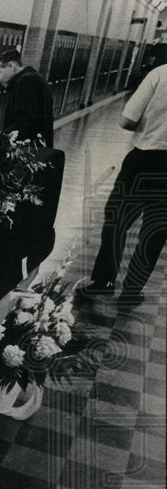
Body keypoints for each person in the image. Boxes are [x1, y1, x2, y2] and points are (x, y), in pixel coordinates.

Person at [77, 57, 167, 309]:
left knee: (117, 221)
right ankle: (132, 292)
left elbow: (126, 120)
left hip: (144, 160)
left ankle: (103, 282)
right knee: (156, 229)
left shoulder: (160, 73)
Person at [0, 49, 54, 146]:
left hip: (30, 150)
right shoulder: (31, 78)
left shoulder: (26, 82)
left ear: (11, 66)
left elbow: (24, 123)